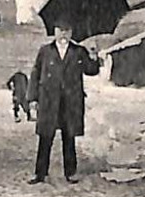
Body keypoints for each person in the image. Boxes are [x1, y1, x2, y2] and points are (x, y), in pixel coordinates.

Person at [27, 20, 100, 185]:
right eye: (60, 30)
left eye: (67, 30)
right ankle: (40, 173)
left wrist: (94, 57)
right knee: (45, 137)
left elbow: (91, 70)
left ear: (72, 32)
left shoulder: (78, 51)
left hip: (70, 101)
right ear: (54, 31)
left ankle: (70, 172)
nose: (63, 34)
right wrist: (32, 98)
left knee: (69, 137)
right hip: (49, 100)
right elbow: (35, 73)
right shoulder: (45, 51)